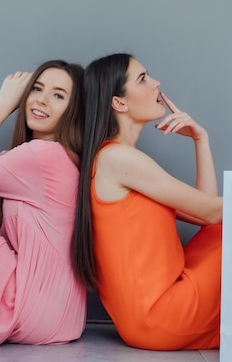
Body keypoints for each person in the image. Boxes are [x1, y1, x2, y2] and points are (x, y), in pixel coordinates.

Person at [71, 53, 223, 350]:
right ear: (119, 103)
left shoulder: (114, 160)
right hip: (161, 315)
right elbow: (213, 211)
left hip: (144, 322)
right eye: (143, 79)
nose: (156, 84)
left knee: (223, 230)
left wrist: (200, 140)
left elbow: (206, 214)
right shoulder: (118, 158)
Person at [0, 60, 86, 346]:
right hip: (65, 319)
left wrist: (2, 106)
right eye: (36, 89)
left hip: (25, 311)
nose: (41, 100)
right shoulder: (62, 156)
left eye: (58, 95)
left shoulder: (40, 155)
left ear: (74, 111)